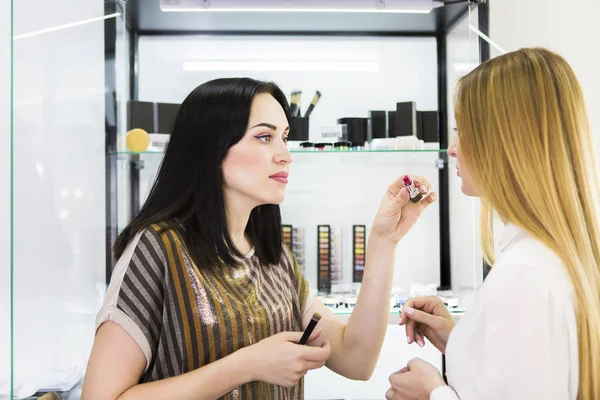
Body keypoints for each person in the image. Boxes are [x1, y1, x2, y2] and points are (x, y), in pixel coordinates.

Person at [81, 77, 437, 400]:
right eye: (264, 137)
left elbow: (356, 360)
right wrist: (246, 366)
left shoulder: (275, 257)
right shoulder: (157, 248)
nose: (285, 154)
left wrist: (383, 243)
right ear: (211, 147)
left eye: (284, 137)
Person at [385, 47, 600, 400]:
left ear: (507, 140)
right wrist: (463, 342)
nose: (452, 149)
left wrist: (431, 393)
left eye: (464, 130)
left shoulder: (524, 273)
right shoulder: (551, 256)